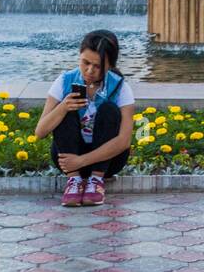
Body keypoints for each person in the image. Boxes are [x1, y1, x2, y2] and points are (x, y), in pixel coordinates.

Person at [35, 30, 135, 206]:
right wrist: (64, 107)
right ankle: (74, 182)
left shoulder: (121, 87)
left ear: (110, 65)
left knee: (110, 110)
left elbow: (124, 141)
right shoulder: (64, 81)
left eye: (97, 66)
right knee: (63, 111)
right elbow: (40, 131)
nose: (90, 71)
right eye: (85, 63)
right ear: (79, 56)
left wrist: (81, 161)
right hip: (69, 161)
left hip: (108, 162)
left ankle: (96, 181)